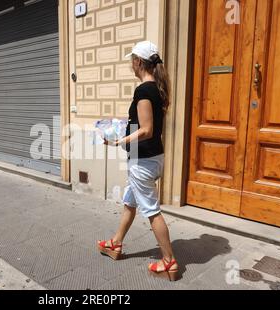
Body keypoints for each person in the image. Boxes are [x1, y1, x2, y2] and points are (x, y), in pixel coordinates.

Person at [97, 41, 179, 281]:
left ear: (139, 62)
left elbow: (146, 129)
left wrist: (118, 141)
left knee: (152, 212)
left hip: (142, 161)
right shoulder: (157, 89)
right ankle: (115, 244)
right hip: (153, 158)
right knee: (130, 203)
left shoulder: (143, 90)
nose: (130, 64)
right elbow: (145, 125)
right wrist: (124, 124)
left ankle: (169, 262)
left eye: (131, 59)